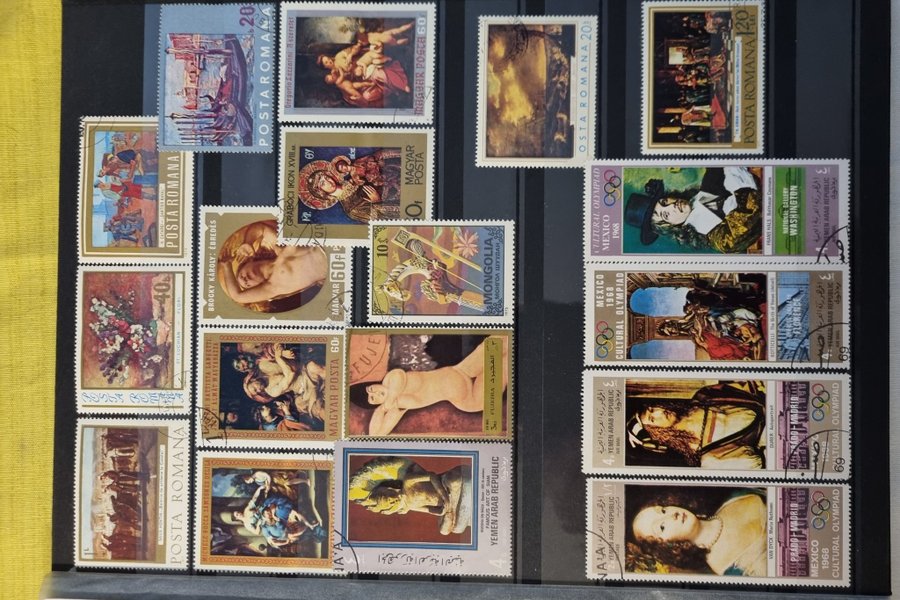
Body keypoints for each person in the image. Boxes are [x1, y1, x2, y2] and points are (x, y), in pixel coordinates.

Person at [363, 335, 509, 436]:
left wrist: (387, 401)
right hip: (465, 399)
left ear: (373, 383)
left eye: (371, 389)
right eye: (373, 398)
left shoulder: (391, 379)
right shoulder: (397, 406)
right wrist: (381, 409)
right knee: (503, 366)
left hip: (460, 371)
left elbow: (398, 379)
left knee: (498, 343)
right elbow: (376, 434)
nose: (375, 393)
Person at [627, 381, 766, 468]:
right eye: (652, 419)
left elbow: (746, 387)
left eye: (652, 409)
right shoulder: (706, 456)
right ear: (657, 436)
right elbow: (755, 462)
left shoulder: (703, 396)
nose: (660, 412)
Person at [629, 489, 767, 576]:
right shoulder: (732, 571)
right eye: (662, 527)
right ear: (666, 547)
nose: (672, 515)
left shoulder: (735, 497)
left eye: (663, 510)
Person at [624, 167, 762, 253]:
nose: (672, 206)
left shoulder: (701, 196)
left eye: (664, 202)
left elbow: (717, 168)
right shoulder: (720, 239)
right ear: (670, 226)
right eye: (665, 214)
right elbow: (752, 208)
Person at [348, 456, 472, 536]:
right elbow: (428, 509)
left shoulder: (408, 483)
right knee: (445, 530)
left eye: (389, 497)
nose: (393, 501)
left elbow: (432, 476)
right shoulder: (409, 505)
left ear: (390, 489)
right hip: (445, 504)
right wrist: (440, 511)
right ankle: (452, 509)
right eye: (391, 504)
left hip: (445, 487)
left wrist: (444, 496)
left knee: (454, 481)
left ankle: (453, 504)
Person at [217, 219, 327, 307]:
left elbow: (261, 228)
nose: (246, 279)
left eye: (242, 275)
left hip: (327, 237)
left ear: (248, 262)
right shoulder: (273, 286)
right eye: (247, 284)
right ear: (256, 288)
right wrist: (226, 266)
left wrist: (248, 242)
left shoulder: (279, 249)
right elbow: (237, 296)